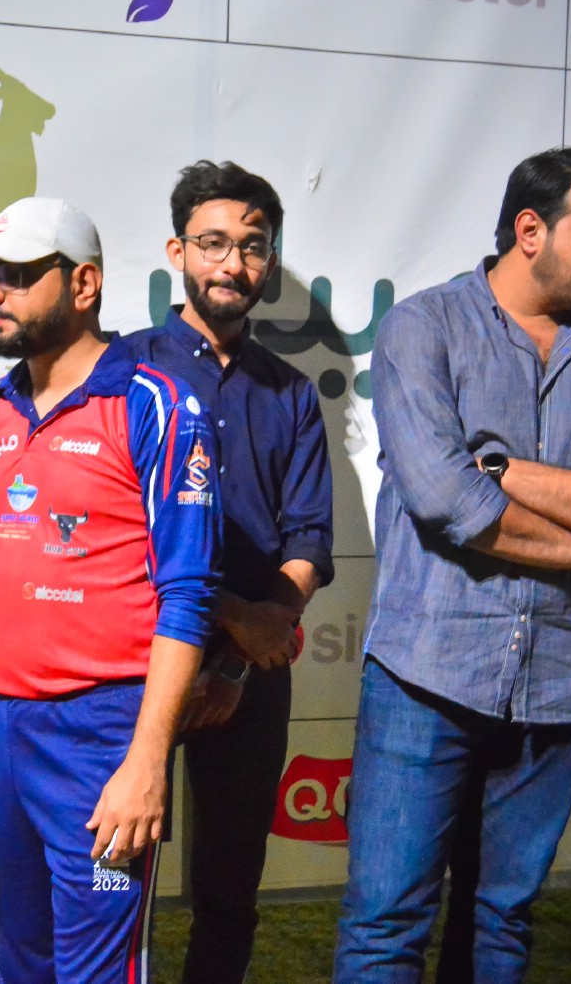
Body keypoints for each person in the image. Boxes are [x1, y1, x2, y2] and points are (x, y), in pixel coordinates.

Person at [332, 146, 571, 983]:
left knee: (501, 923)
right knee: (386, 925)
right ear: (530, 231)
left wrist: (504, 471)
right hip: (426, 675)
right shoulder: (423, 326)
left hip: (558, 686)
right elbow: (444, 499)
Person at [0, 197, 221, 982]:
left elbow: (188, 594)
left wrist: (145, 761)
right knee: (20, 956)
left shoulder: (157, 406)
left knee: (98, 967)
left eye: (13, 274)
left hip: (102, 736)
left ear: (83, 284)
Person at [123, 160, 333, 983]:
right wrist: (232, 620)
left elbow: (308, 538)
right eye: (212, 243)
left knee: (229, 887)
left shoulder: (289, 393)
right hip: (134, 662)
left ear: (268, 262)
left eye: (251, 247)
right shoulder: (122, 371)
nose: (231, 264)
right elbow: (120, 537)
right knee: (114, 870)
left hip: (251, 675)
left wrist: (248, 647)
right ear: (176, 251)